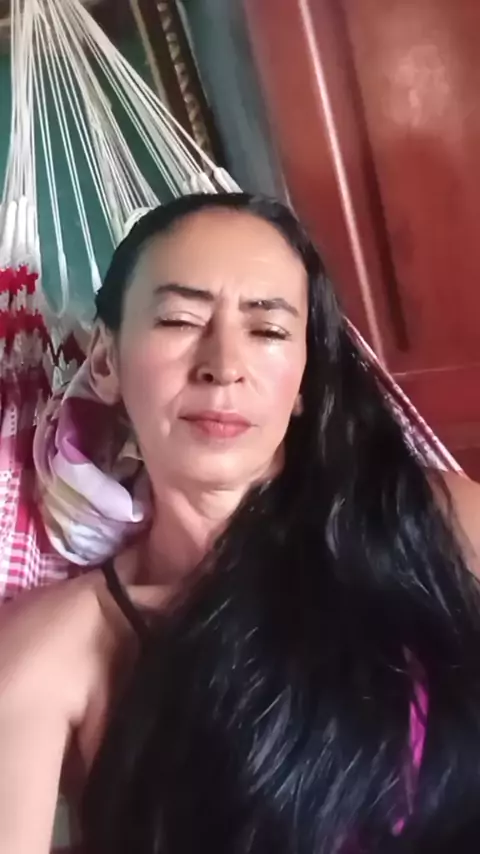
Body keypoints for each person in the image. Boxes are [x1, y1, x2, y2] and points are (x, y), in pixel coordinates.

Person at [0, 192, 480, 854]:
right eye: (179, 320)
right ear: (106, 362)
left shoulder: (438, 527)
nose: (223, 367)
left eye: (268, 331)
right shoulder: (59, 649)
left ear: (307, 378)